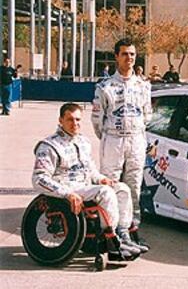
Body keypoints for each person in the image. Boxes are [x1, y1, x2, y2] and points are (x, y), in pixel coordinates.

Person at [32, 103, 142, 260]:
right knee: (106, 193)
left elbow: (90, 170)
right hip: (66, 188)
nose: (75, 124)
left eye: (78, 120)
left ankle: (123, 234)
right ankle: (109, 239)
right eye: (69, 119)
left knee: (122, 188)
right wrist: (67, 194)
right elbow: (39, 178)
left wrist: (101, 179)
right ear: (60, 120)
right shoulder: (49, 146)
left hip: (85, 186)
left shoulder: (83, 142)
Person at [91, 38, 152, 252]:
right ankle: (108, 231)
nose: (130, 58)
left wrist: (136, 134)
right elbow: (97, 120)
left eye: (133, 54)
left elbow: (147, 115)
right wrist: (110, 137)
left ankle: (132, 230)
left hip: (136, 138)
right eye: (125, 54)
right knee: (110, 185)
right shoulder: (105, 86)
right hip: (113, 139)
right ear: (116, 56)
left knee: (134, 186)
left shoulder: (143, 85)